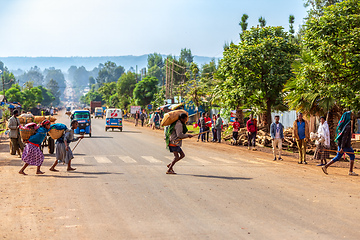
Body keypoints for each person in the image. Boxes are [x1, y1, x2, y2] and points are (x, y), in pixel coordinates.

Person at [322, 111, 358, 176]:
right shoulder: (347, 127)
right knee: (352, 155)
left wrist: (341, 146)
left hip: (340, 144)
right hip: (345, 145)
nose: (352, 116)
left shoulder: (342, 126)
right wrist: (342, 147)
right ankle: (350, 171)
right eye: (351, 115)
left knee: (338, 157)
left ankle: (325, 166)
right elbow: (344, 138)